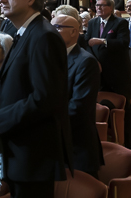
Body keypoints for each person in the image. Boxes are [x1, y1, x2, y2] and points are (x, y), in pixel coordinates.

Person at [0, 0, 72, 197]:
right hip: (19, 150)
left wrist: (0, 120)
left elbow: (46, 97)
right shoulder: (22, 33)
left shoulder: (43, 36)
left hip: (33, 154)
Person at [52, 14, 102, 177]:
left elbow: (78, 107)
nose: (51, 32)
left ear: (74, 32)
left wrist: (46, 123)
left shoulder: (85, 61)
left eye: (57, 27)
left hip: (76, 145)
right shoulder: (49, 58)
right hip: (54, 145)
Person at [84, 0, 131, 149]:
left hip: (118, 74)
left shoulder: (120, 23)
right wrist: (94, 61)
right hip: (99, 74)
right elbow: (87, 43)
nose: (98, 8)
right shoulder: (93, 23)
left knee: (124, 109)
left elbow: (123, 43)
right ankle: (105, 143)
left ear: (111, 7)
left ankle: (128, 145)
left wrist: (103, 41)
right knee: (100, 108)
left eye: (102, 5)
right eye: (96, 5)